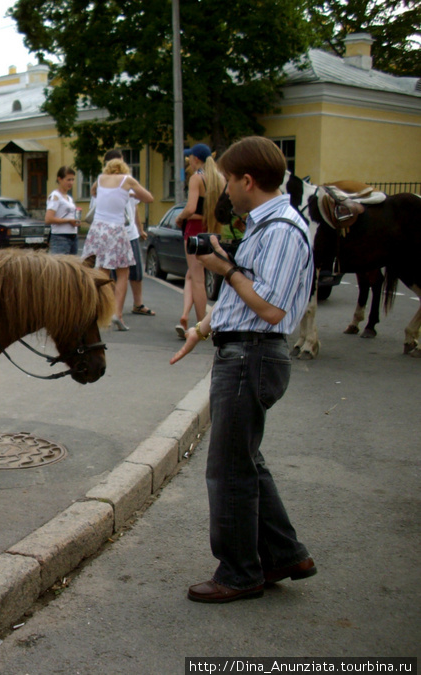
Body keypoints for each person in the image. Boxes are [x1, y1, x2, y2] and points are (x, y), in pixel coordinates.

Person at [170, 136, 316, 603]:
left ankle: (239, 573)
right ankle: (284, 554)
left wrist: (223, 267)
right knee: (246, 460)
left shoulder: (281, 230)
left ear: (248, 181)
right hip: (245, 349)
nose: (225, 189)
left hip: (253, 354)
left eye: (229, 180)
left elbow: (270, 308)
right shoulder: (265, 225)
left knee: (229, 468)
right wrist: (204, 328)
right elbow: (243, 298)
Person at [82, 154, 153, 331]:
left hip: (98, 228)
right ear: (122, 168)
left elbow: (93, 192)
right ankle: (117, 313)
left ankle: (100, 312)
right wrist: (129, 192)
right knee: (123, 272)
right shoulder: (127, 180)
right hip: (116, 229)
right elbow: (149, 198)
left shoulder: (100, 178)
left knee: (103, 271)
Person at [174, 143, 225, 339]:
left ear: (196, 159)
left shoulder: (197, 178)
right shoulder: (219, 179)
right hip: (211, 231)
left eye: (189, 159)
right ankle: (186, 314)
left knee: (197, 279)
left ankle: (201, 325)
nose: (189, 163)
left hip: (193, 232)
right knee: (194, 276)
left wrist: (180, 218)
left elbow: (191, 207)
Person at [46, 166, 81, 255]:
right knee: (61, 267)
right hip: (60, 237)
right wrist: (69, 221)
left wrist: (75, 221)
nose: (71, 183)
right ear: (60, 179)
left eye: (72, 180)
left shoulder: (69, 198)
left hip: (73, 236)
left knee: (72, 266)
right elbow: (48, 219)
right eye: (68, 180)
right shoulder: (55, 196)